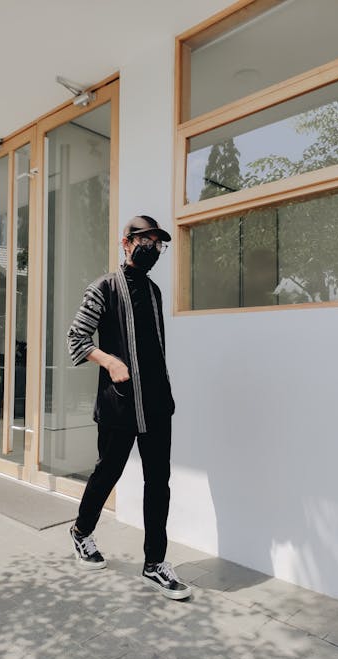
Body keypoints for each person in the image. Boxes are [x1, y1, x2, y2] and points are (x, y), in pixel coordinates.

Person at [66, 214, 191, 601]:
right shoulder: (103, 287)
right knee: (108, 473)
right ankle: (81, 532)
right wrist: (110, 361)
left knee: (159, 483)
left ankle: (155, 563)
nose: (151, 248)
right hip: (120, 404)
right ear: (126, 242)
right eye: (145, 240)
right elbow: (76, 338)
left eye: (157, 243)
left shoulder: (154, 292)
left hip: (156, 404)